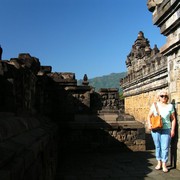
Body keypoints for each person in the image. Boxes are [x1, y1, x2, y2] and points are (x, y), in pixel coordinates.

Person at [147, 89, 176, 173]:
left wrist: (173, 130)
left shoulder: (170, 106)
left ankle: (164, 163)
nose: (164, 97)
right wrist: (149, 124)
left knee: (165, 147)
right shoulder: (155, 105)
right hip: (156, 129)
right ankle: (159, 162)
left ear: (167, 97)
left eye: (165, 96)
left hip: (166, 129)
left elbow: (173, 119)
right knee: (158, 146)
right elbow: (149, 116)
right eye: (162, 96)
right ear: (158, 97)